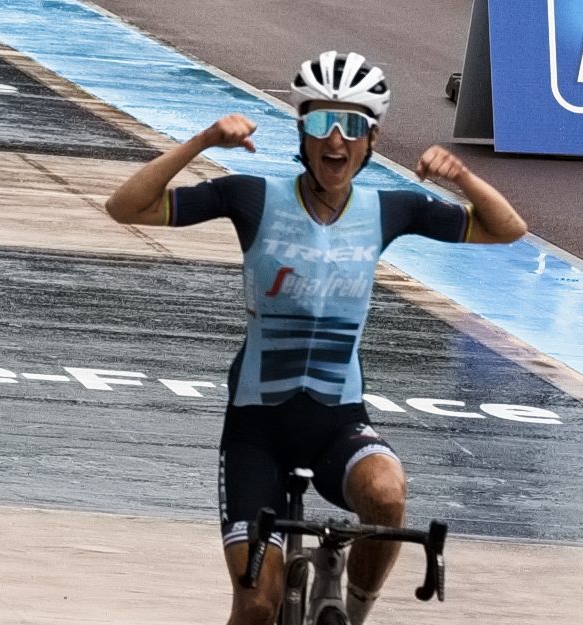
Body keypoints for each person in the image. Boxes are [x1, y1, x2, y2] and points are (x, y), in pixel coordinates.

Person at [103, 50, 527, 625]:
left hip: (337, 424)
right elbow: (124, 206)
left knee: (387, 495)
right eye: (321, 121)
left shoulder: (390, 209)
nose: (336, 138)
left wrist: (463, 177)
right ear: (300, 132)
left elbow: (509, 230)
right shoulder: (250, 197)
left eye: (351, 124)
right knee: (256, 603)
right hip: (257, 433)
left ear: (371, 138)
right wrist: (202, 141)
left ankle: (352, 612)